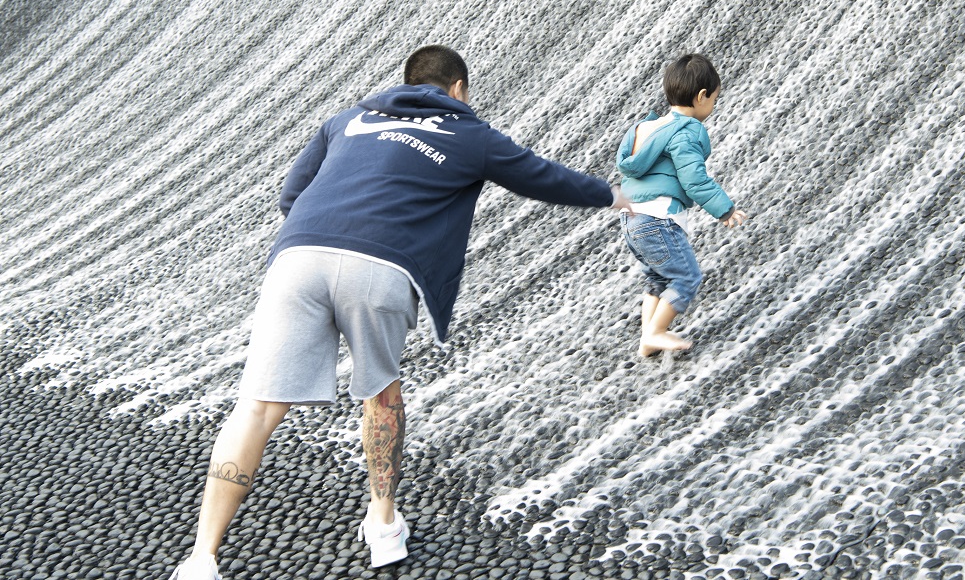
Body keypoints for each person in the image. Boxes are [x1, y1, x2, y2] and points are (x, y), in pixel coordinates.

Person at [170, 45, 629, 580]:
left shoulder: (346, 120)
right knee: (381, 395)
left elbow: (291, 194)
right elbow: (545, 178)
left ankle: (202, 559)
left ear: (408, 82)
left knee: (256, 409)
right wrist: (617, 197)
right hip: (380, 269)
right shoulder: (469, 135)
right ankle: (384, 526)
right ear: (457, 89)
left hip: (298, 257)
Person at [616, 53, 747, 357]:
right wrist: (724, 209)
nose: (713, 105)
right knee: (687, 277)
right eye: (714, 98)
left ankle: (647, 341)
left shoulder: (644, 128)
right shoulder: (687, 131)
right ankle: (657, 332)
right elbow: (694, 180)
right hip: (659, 220)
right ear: (702, 97)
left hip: (631, 220)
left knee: (658, 278)